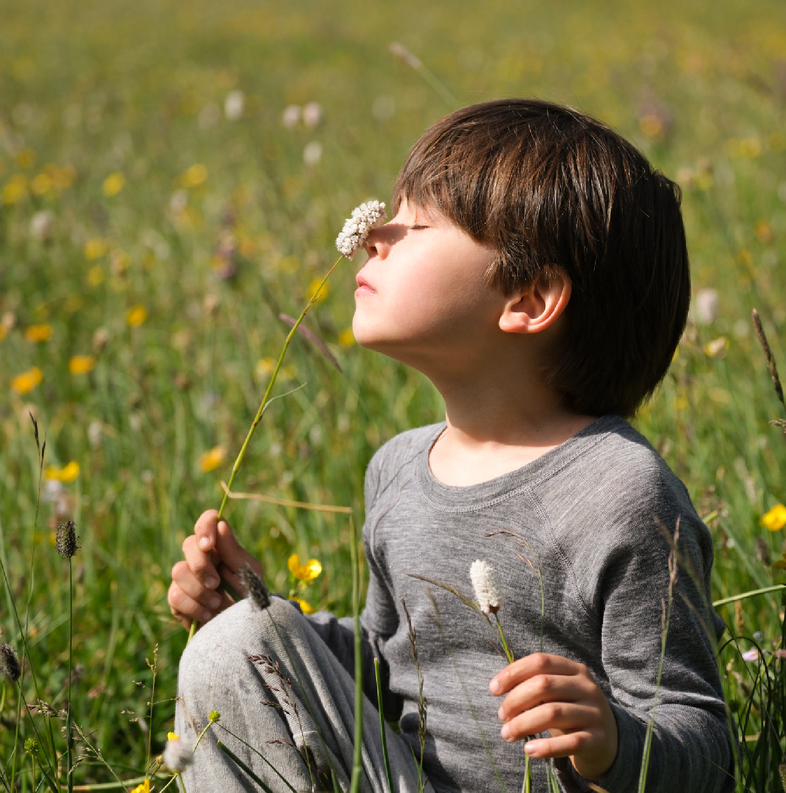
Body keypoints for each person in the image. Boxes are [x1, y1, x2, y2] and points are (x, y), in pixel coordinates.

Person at [168, 99, 733, 793]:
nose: (375, 230)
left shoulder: (620, 490)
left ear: (529, 298)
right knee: (232, 649)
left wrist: (613, 739)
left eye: (417, 222)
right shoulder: (398, 468)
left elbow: (701, 736)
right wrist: (259, 620)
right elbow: (387, 669)